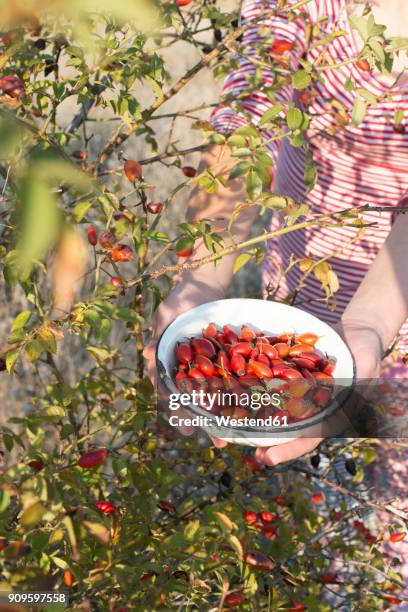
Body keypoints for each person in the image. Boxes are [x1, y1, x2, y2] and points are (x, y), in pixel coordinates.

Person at [144, 0, 408, 466]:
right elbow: (249, 117)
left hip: (394, 309)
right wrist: (200, 278)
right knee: (315, 468)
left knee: (388, 504)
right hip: (297, 296)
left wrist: (373, 320)